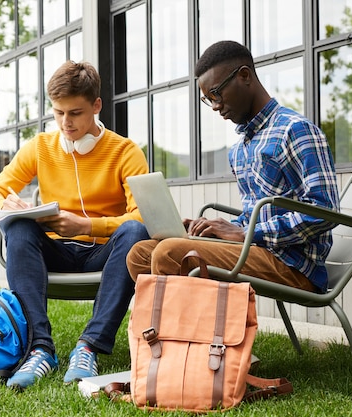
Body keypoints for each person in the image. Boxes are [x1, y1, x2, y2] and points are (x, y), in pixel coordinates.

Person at [0, 61, 149, 390]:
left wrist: (86, 225)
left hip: (104, 253)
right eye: (58, 113)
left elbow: (142, 217)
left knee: (135, 233)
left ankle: (89, 346)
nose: (65, 123)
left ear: (96, 106)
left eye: (75, 113)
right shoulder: (40, 147)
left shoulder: (125, 152)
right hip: (55, 250)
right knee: (18, 227)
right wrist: (5, 205)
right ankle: (40, 349)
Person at [126, 40, 340, 294]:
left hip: (293, 264)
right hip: (255, 249)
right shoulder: (239, 149)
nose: (215, 106)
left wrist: (246, 234)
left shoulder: (295, 129)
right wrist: (214, 229)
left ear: (245, 76)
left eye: (216, 94)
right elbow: (252, 218)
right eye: (208, 99)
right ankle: (185, 331)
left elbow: (325, 211)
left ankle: (179, 334)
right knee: (140, 254)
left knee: (170, 253)